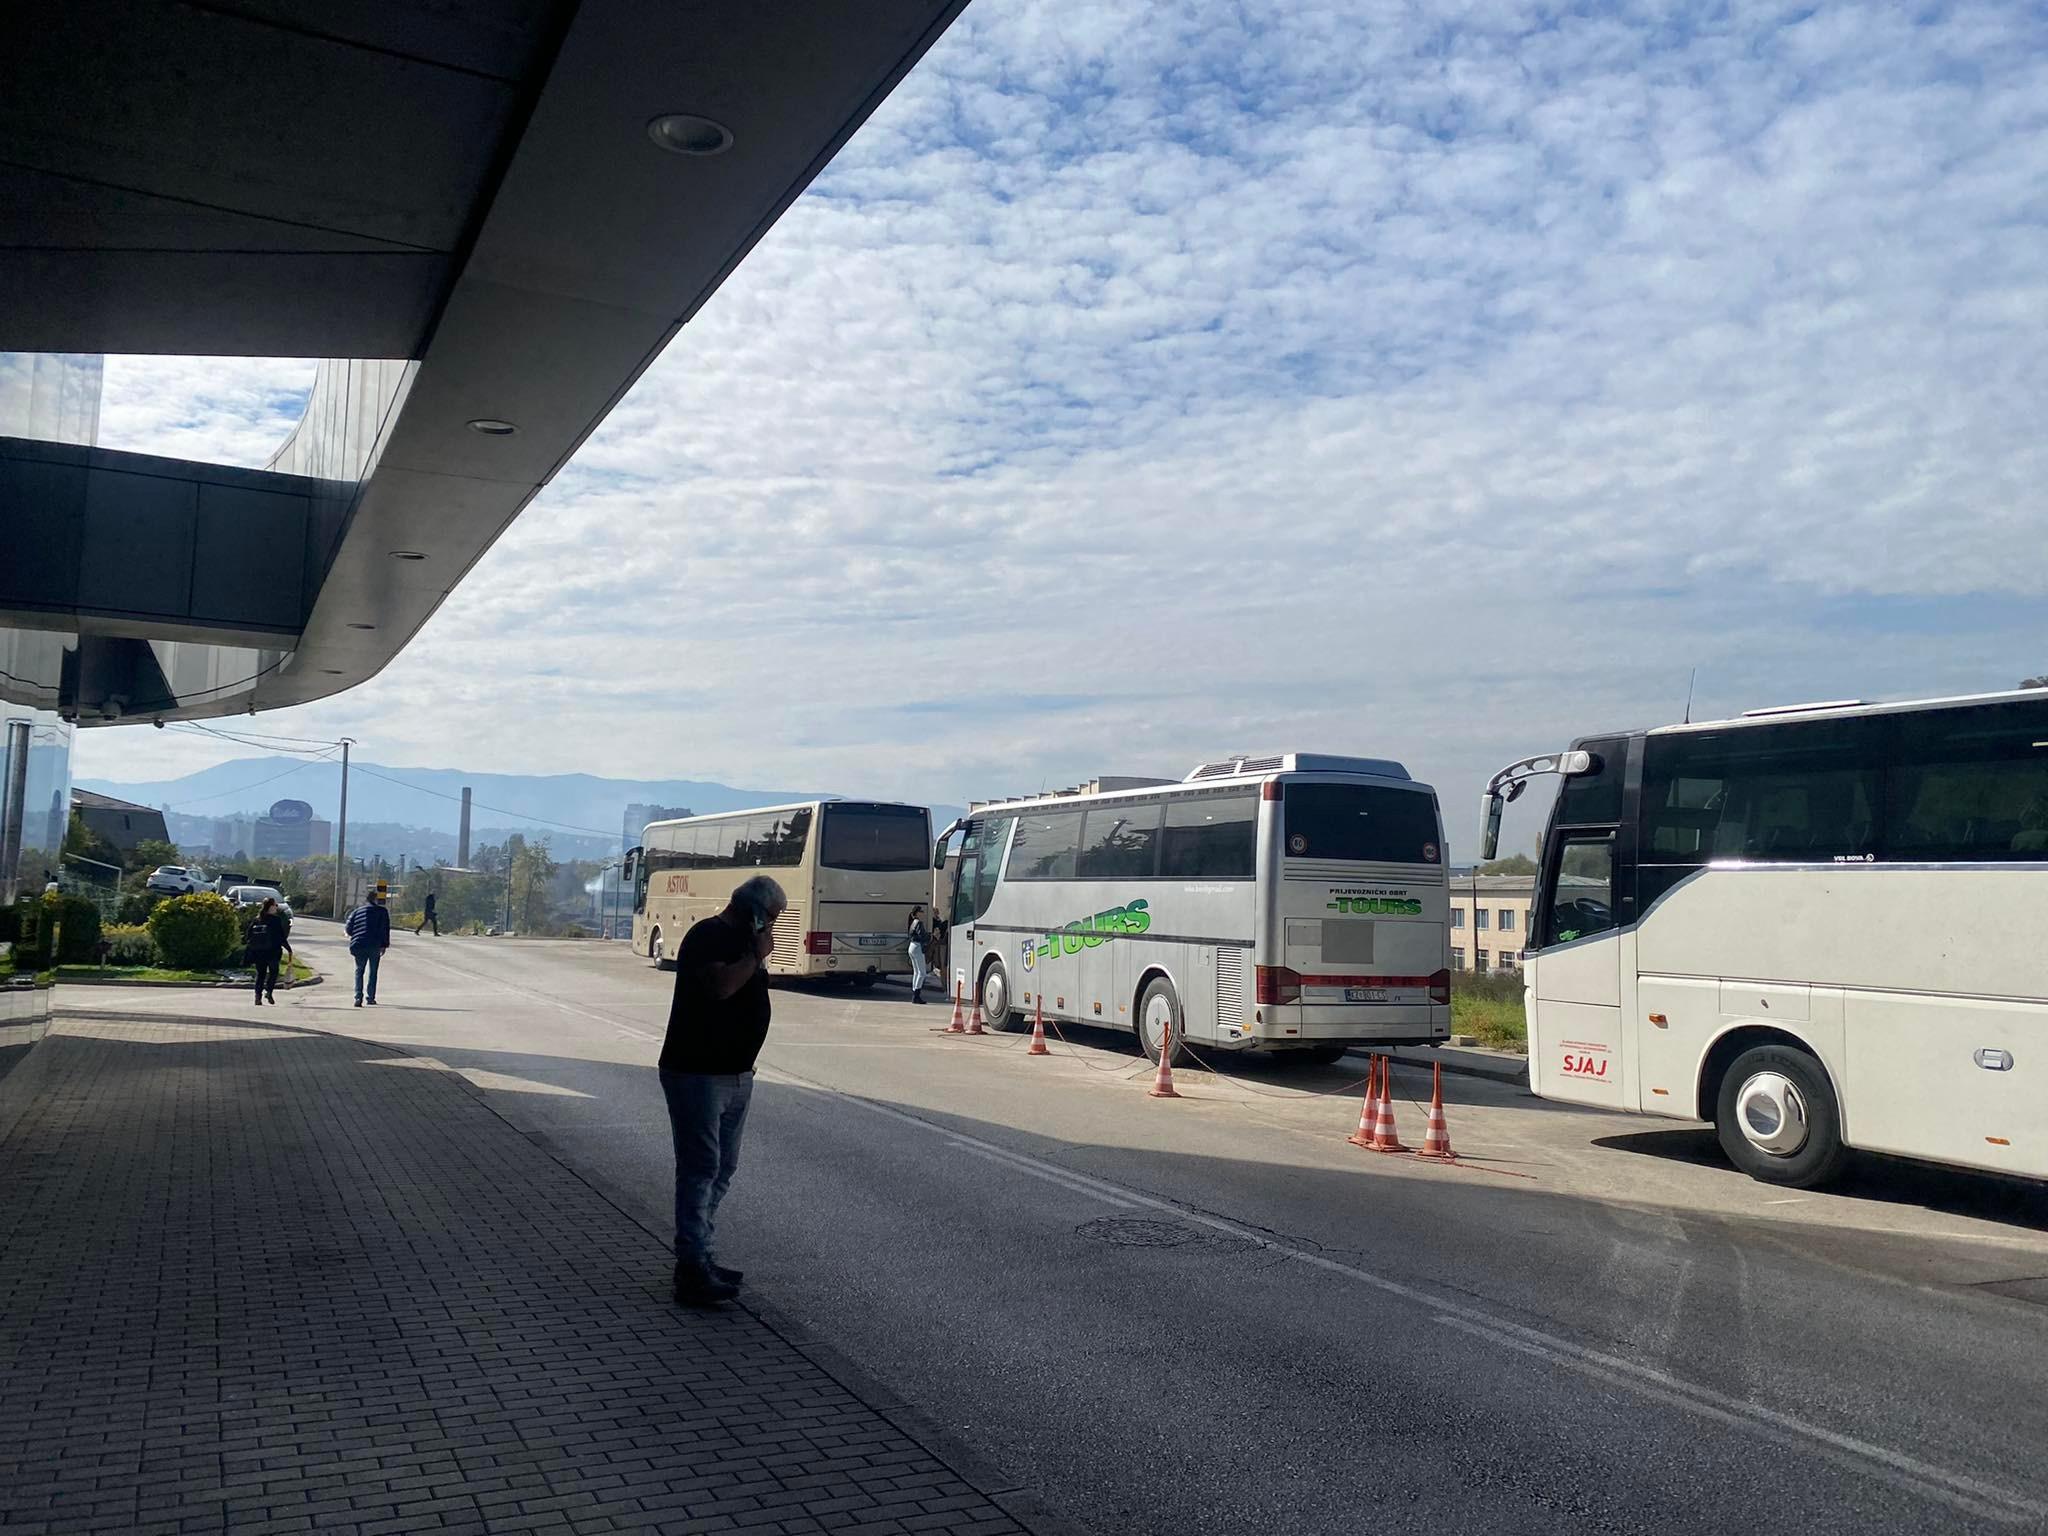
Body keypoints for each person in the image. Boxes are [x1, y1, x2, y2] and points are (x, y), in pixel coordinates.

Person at [658, 874, 785, 1307]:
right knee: (700, 1167)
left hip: (736, 1074)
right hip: (698, 1073)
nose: (773, 927)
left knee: (722, 1167)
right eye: (771, 918)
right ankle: (690, 1268)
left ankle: (702, 1251)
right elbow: (722, 987)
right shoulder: (708, 936)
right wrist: (755, 955)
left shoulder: (748, 945)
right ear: (752, 911)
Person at [344, 889, 392, 1006]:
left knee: (359, 971)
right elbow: (385, 929)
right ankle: (370, 997)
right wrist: (384, 945)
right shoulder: (382, 912)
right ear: (376, 899)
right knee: (373, 971)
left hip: (359, 944)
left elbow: (348, 928)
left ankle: (358, 997)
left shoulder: (356, 911)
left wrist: (355, 935)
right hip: (374, 945)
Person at [244, 897, 293, 1006]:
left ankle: (257, 997)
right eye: (275, 905)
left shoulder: (257, 919)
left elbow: (248, 935)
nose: (276, 907)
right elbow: (281, 937)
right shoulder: (275, 920)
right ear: (270, 907)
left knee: (260, 974)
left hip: (258, 952)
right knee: (273, 972)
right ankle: (269, 991)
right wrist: (289, 949)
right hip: (272, 952)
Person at [906, 905, 930, 1003]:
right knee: (922, 972)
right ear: (917, 913)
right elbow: (922, 936)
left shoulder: (913, 922)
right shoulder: (919, 923)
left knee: (916, 972)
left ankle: (915, 993)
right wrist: (931, 936)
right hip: (917, 947)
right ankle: (916, 995)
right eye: (921, 912)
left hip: (912, 946)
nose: (922, 913)